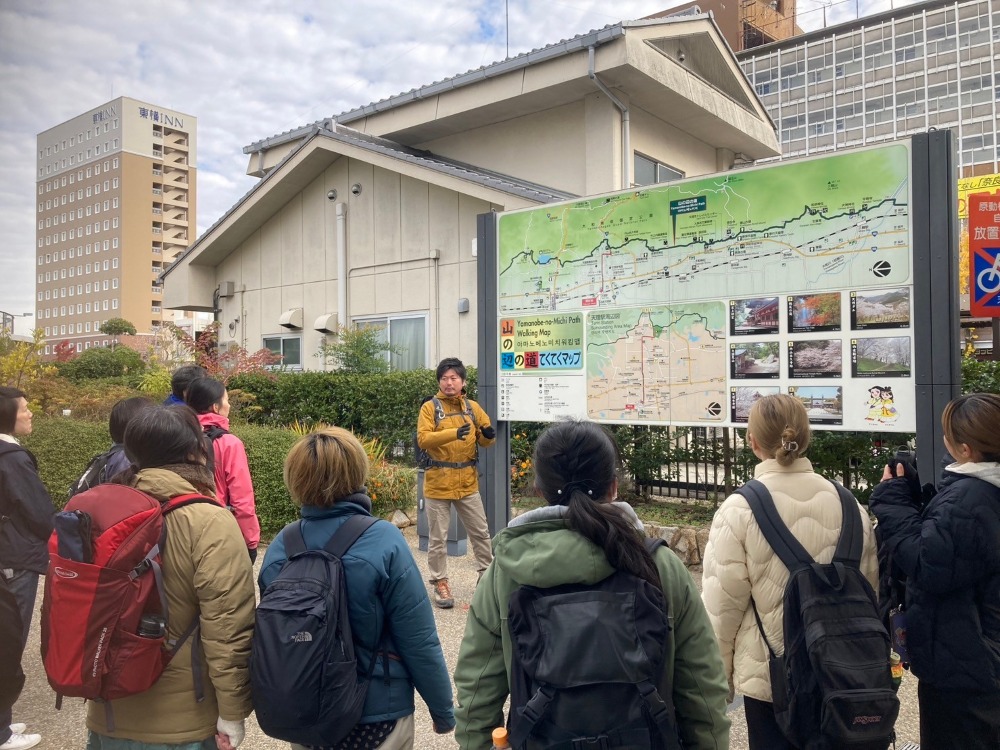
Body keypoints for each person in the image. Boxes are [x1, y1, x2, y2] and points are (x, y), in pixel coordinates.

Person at [454, 419, 731, 749]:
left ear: (539, 490)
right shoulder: (657, 565)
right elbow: (702, 688)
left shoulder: (506, 572)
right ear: (613, 486)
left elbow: (476, 692)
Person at [259, 426, 456, 748]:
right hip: (378, 715)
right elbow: (418, 639)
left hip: (307, 716)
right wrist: (442, 711)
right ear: (357, 472)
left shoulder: (282, 546)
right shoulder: (384, 540)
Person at [701, 393, 878, 749]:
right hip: (847, 676)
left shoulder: (739, 510)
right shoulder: (851, 505)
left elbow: (722, 611)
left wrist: (717, 685)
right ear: (806, 436)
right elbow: (869, 592)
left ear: (752, 442)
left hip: (773, 683)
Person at [86, 405, 255, 750]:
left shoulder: (95, 512)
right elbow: (226, 628)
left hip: (107, 715)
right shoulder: (208, 521)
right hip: (183, 726)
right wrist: (232, 711)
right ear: (196, 451)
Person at [870, 393, 1000, 749]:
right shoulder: (978, 492)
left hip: (965, 669)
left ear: (966, 449)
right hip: (979, 659)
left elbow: (930, 565)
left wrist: (893, 501)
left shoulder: (971, 498)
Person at [0, 386, 55, 750]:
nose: (30, 413)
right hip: (13, 559)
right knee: (8, 639)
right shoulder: (11, 458)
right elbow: (38, 512)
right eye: (25, 408)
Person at [416, 357, 496, 608]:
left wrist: (488, 436)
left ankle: (487, 578)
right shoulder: (430, 408)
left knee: (481, 533)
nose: (449, 383)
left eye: (454, 378)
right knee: (438, 539)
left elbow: (484, 438)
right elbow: (423, 439)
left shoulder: (472, 407)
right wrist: (453, 433)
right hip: (438, 483)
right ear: (439, 381)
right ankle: (440, 583)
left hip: (467, 483)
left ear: (463, 381)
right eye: (444, 378)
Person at [185, 378, 260, 563]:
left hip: (179, 528)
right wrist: (250, 542)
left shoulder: (176, 436)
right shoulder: (228, 443)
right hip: (217, 531)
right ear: (216, 407)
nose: (229, 405)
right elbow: (242, 500)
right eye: (226, 400)